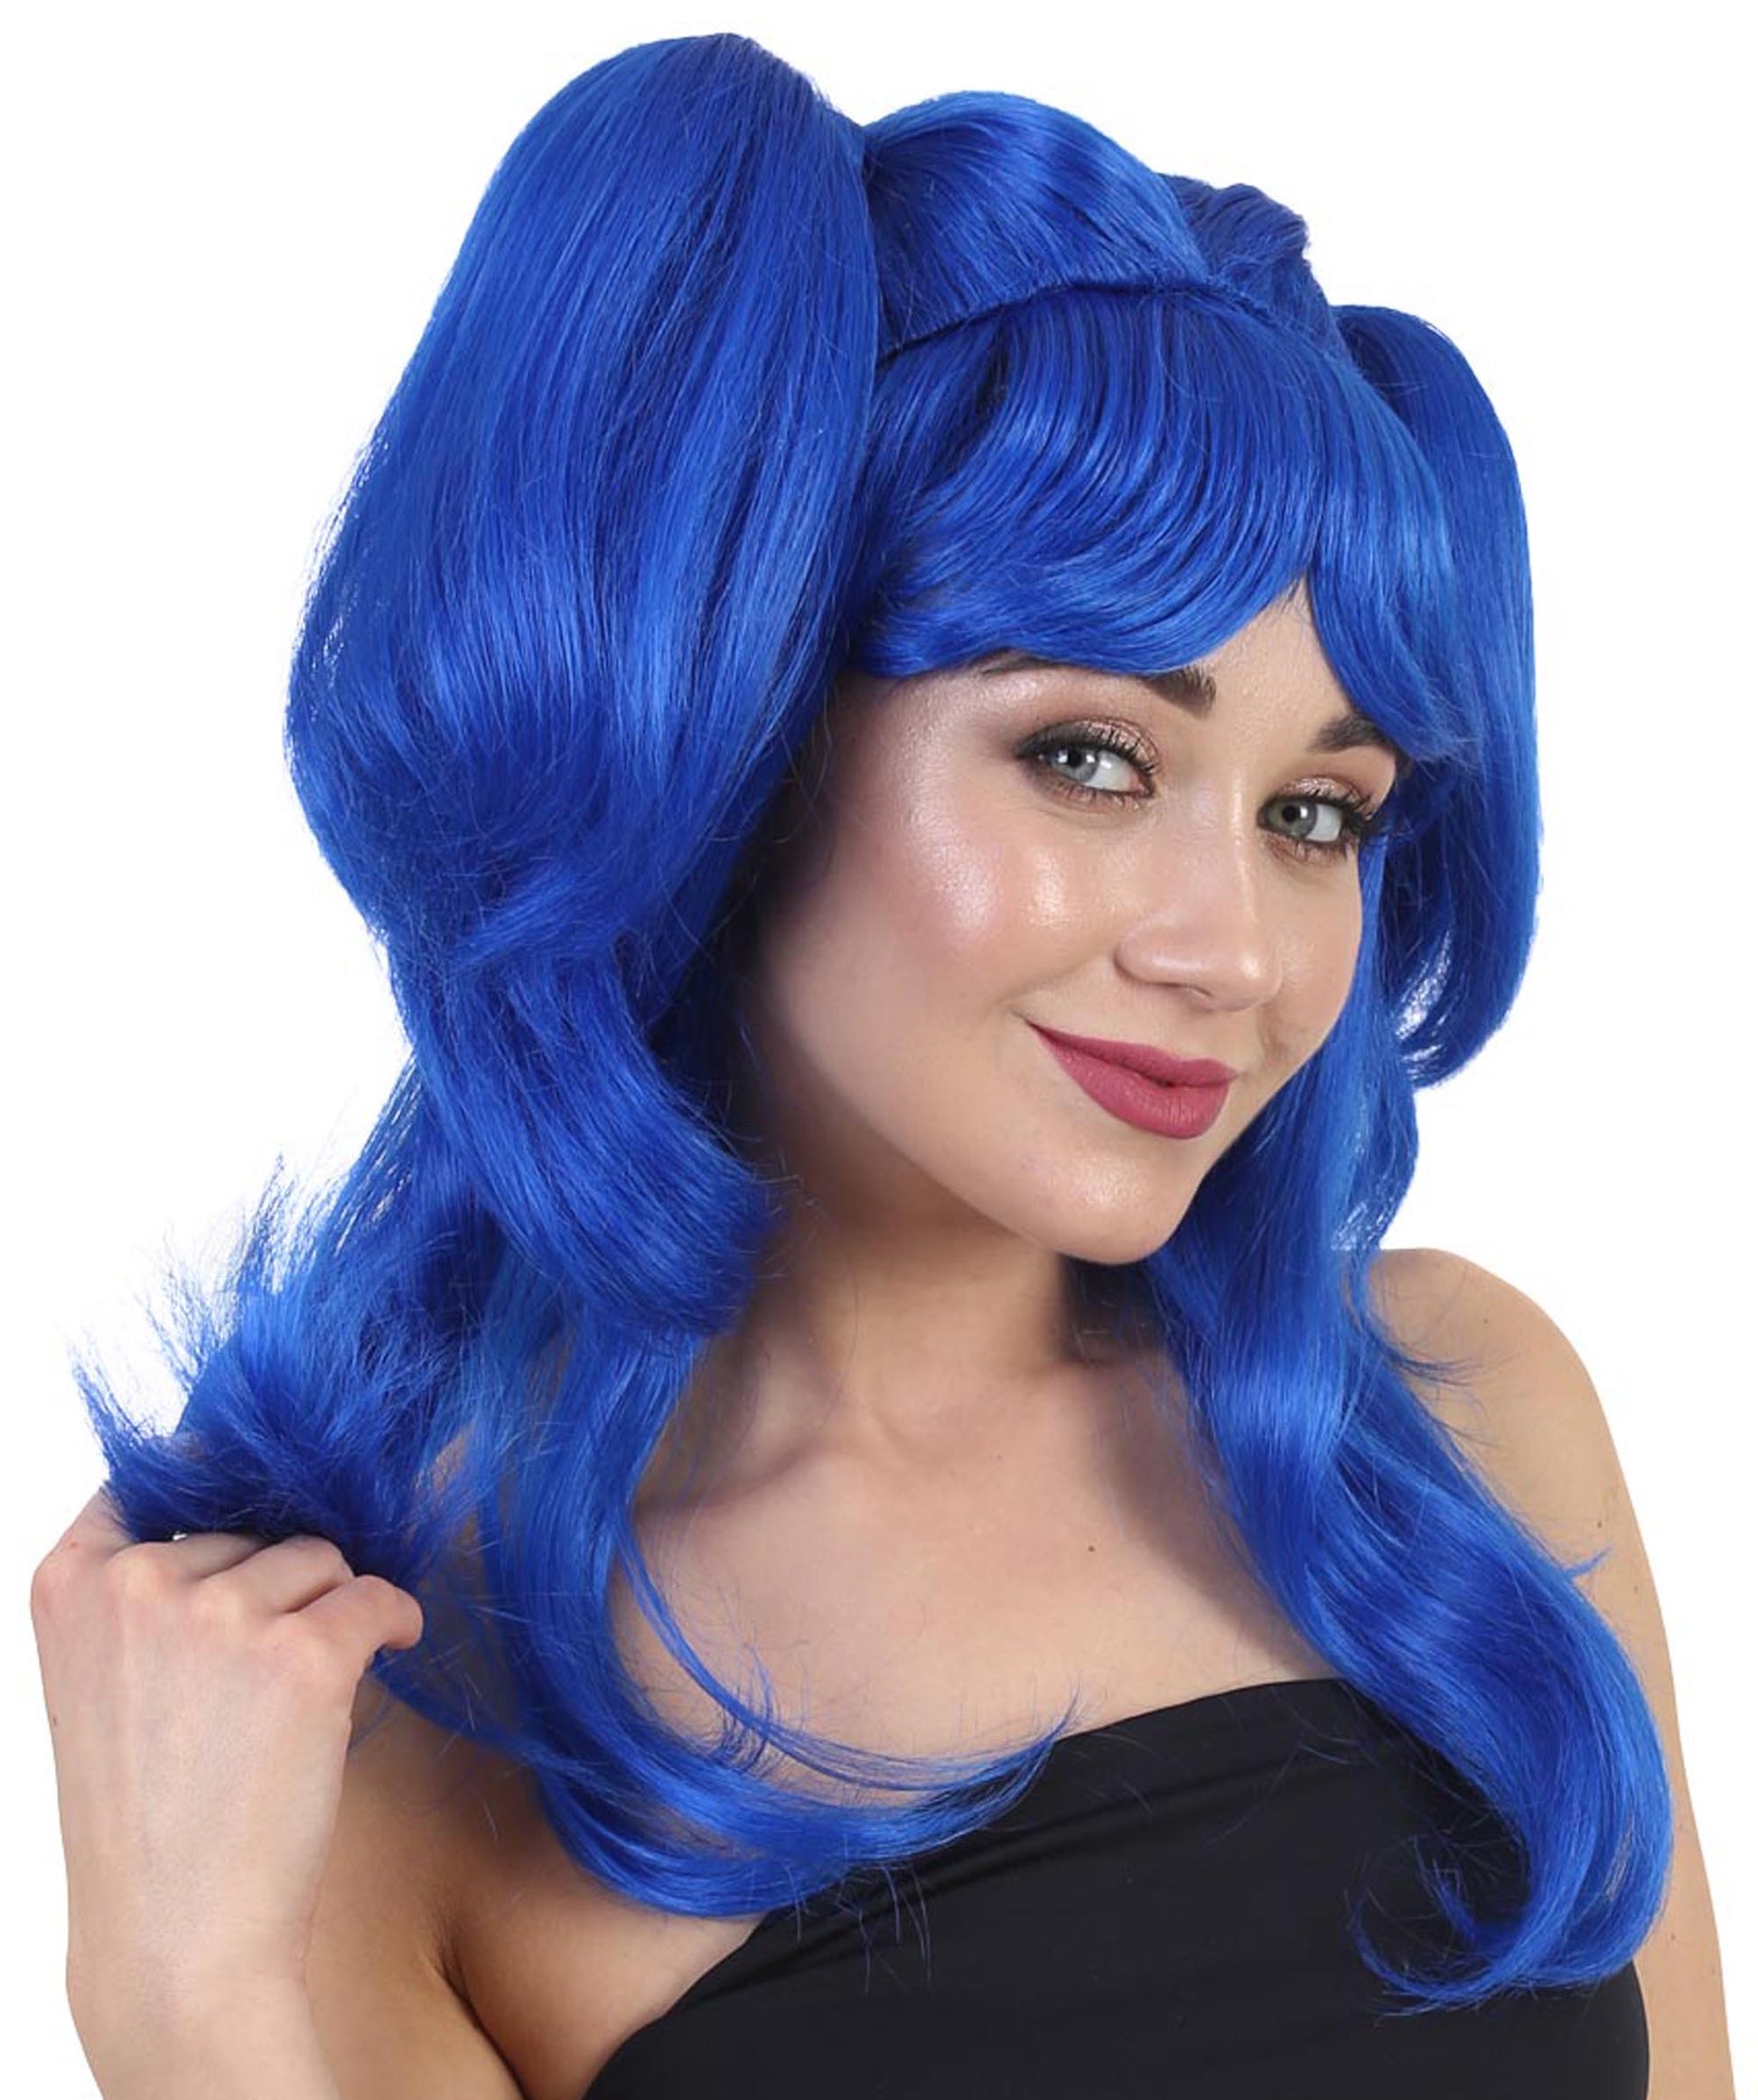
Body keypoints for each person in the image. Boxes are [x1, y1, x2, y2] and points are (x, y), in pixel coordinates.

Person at [29, 30, 1732, 2100]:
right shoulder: (403, 1697)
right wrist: (184, 2012)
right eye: (1090, 757)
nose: (1233, 952)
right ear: (735, 737)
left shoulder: (1454, 1428)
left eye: (1316, 812)